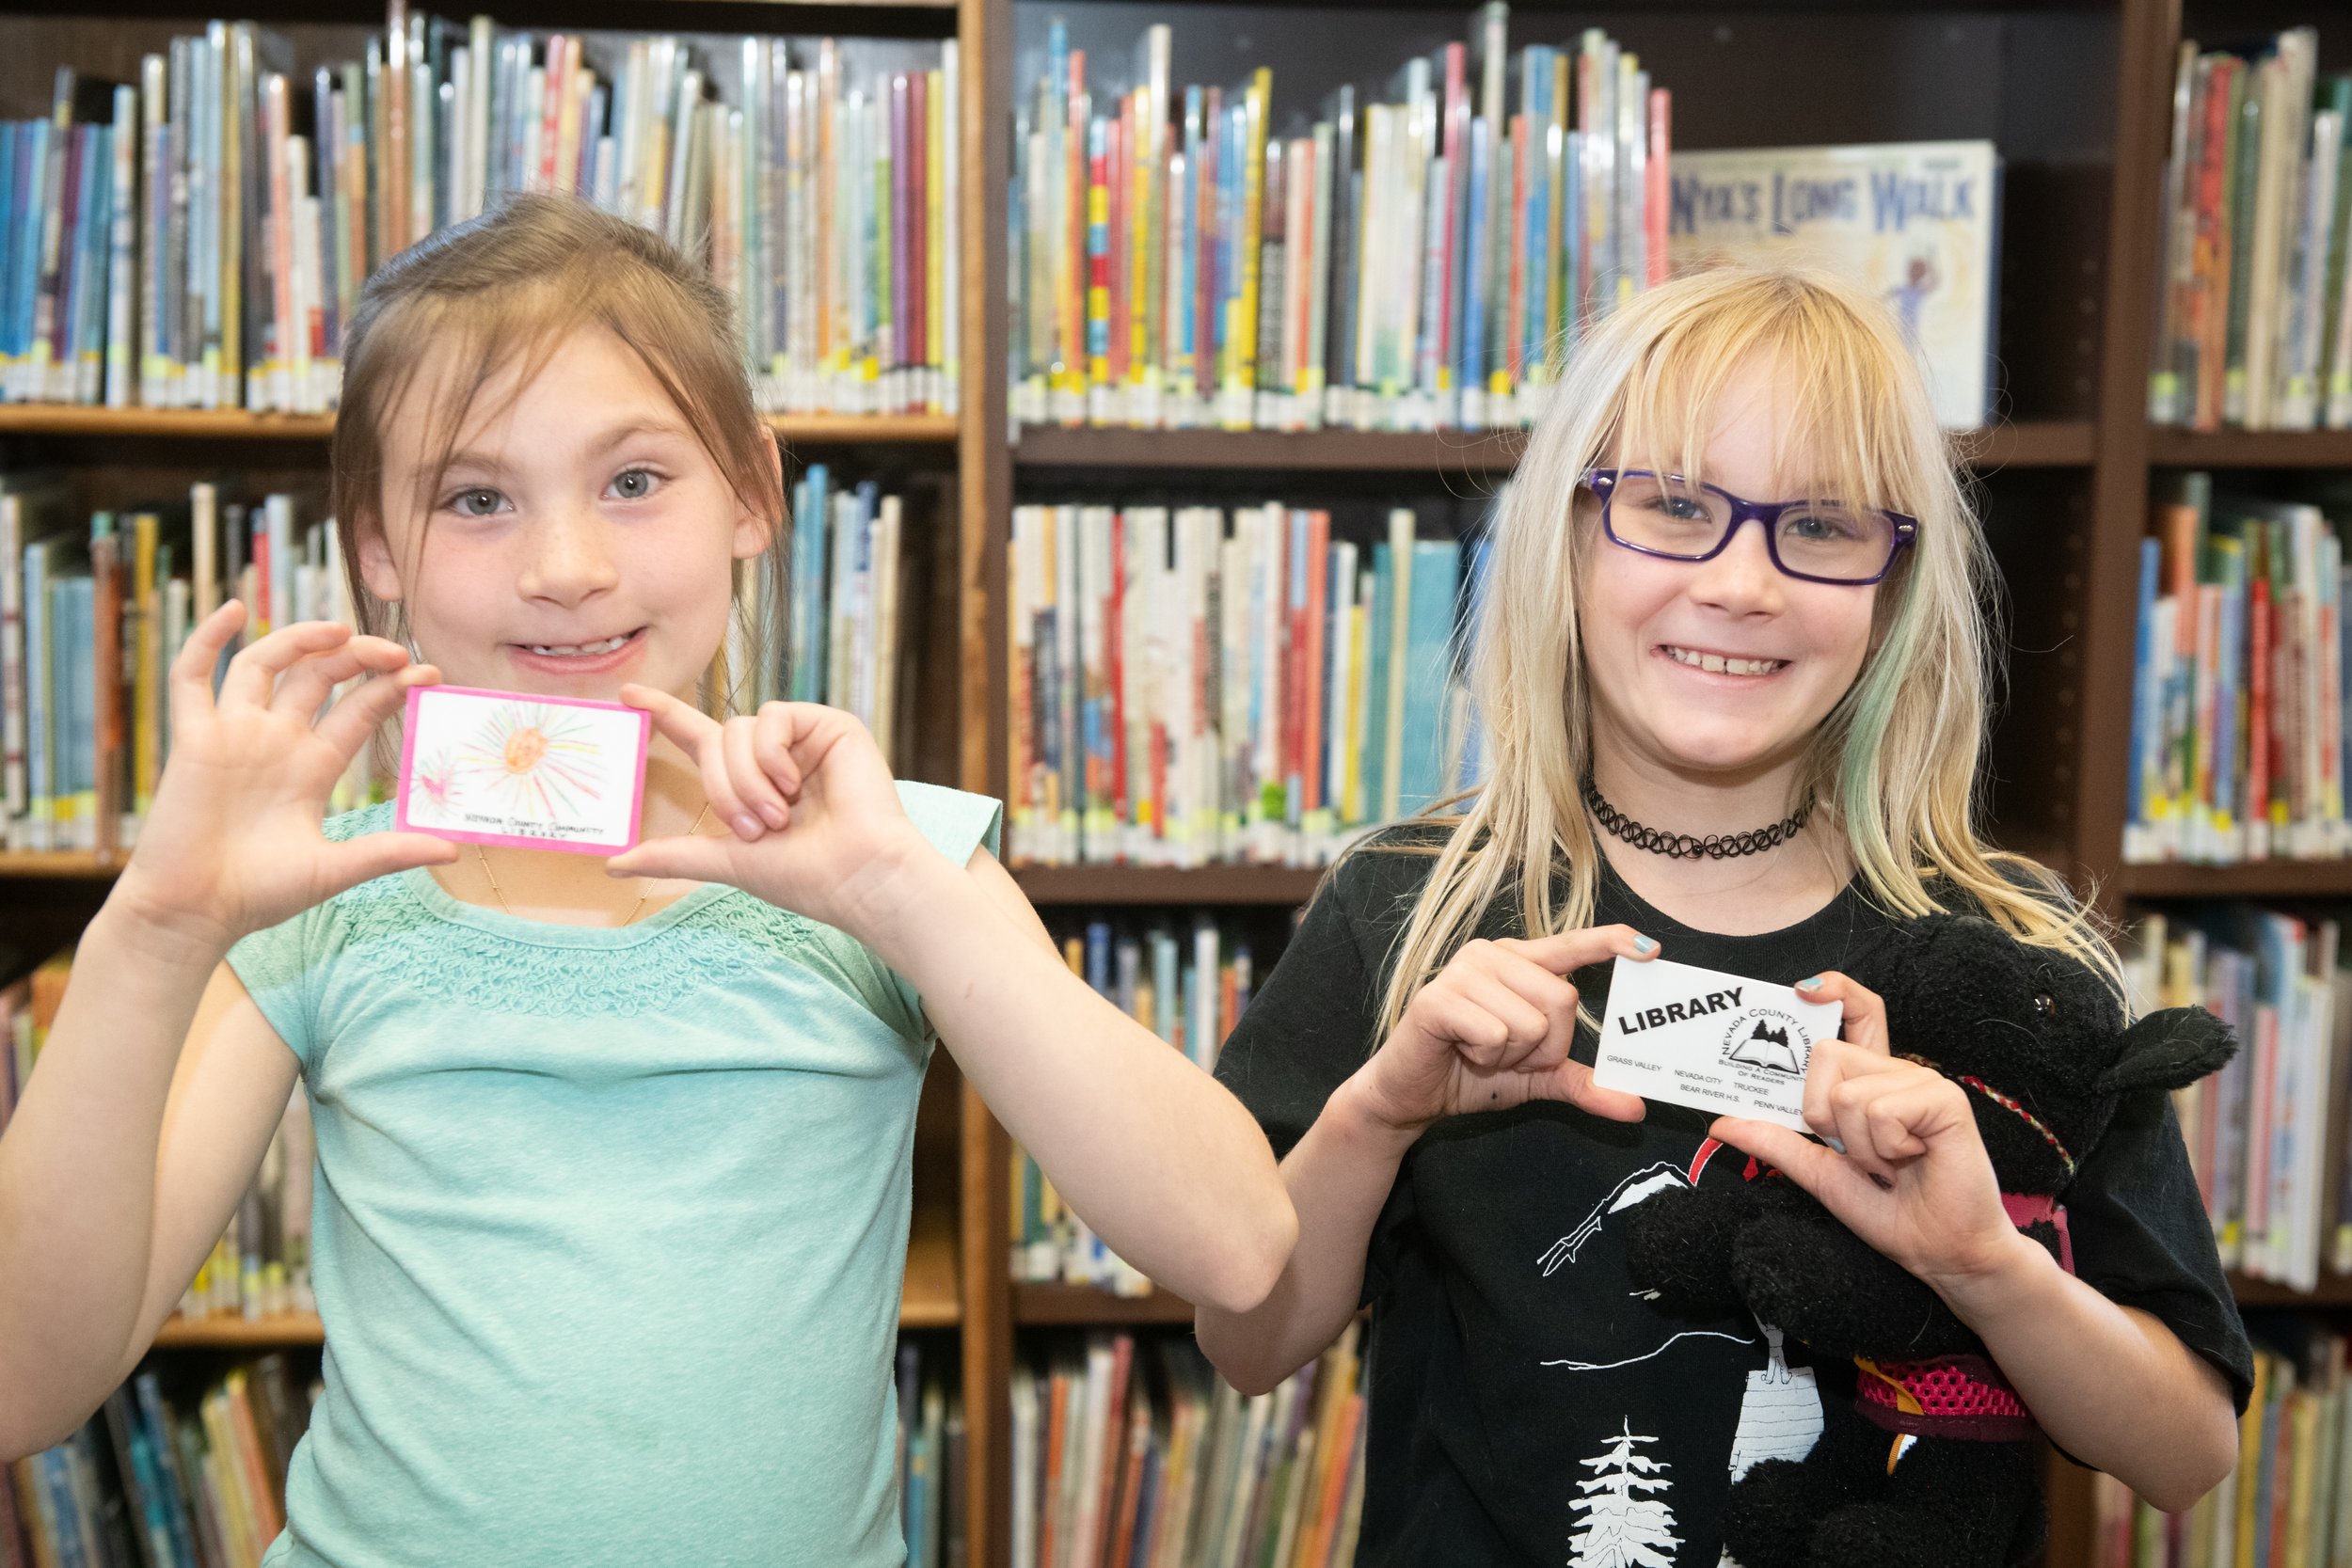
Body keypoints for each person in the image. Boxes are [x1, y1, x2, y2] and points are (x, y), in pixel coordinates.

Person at [0, 193, 1295, 1566]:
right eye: (477, 498)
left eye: (633, 480)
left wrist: (900, 901)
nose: (568, 569)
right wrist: (157, 927)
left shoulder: (889, 857)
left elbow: (1236, 1247)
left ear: (751, 494)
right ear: (378, 547)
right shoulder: (330, 900)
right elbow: (27, 1385)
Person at [1196, 263, 2249, 1566]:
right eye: (1676, 506)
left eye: (1820, 528)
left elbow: (2188, 1451)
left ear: (1896, 582)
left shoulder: (2010, 957)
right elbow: (1247, 1345)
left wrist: (1988, 1266)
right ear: (1567, 537)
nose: (1743, 584)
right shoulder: (1413, 905)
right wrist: (1378, 1113)